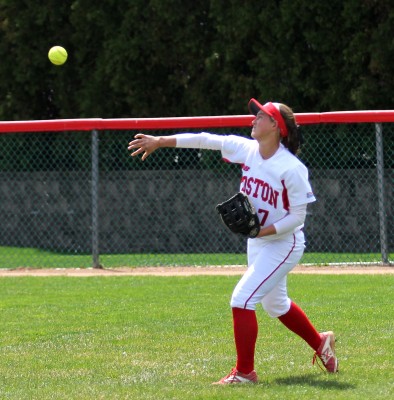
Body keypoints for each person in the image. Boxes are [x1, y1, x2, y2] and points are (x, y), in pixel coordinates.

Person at [127, 98, 338, 384]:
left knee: (242, 300)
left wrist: (263, 232)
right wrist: (161, 141)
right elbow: (206, 140)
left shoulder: (291, 167)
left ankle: (245, 373)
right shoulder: (248, 150)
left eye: (260, 116)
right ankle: (320, 343)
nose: (253, 120)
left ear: (276, 126)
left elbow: (298, 217)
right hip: (258, 241)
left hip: (283, 243)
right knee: (276, 306)